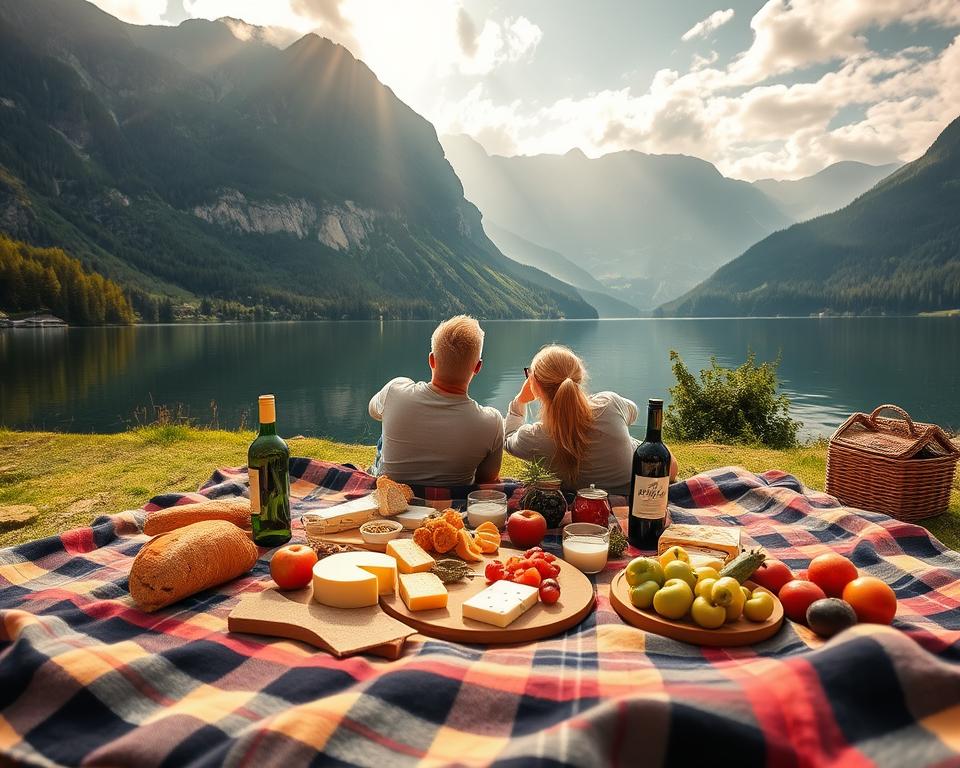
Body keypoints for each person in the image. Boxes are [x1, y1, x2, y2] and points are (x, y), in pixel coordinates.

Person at [505, 344, 678, 495]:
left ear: (533, 383)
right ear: (579, 376)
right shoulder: (609, 403)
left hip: (588, 501)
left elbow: (508, 439)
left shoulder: (533, 437)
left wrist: (520, 400)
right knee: (659, 455)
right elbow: (633, 412)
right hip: (638, 490)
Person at [369, 315, 503, 486]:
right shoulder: (493, 423)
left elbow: (373, 411)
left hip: (392, 495)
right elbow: (486, 481)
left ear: (431, 360)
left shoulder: (395, 390)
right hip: (451, 507)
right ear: (477, 367)